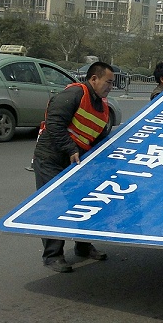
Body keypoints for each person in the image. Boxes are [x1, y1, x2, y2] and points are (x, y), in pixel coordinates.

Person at [33, 61, 115, 273]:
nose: (110, 86)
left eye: (112, 83)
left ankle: (83, 246)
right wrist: (71, 148)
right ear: (93, 78)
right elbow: (54, 124)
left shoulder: (103, 106)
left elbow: (97, 137)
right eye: (108, 82)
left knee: (82, 203)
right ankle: (52, 255)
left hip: (76, 161)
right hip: (51, 158)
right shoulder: (75, 94)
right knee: (53, 205)